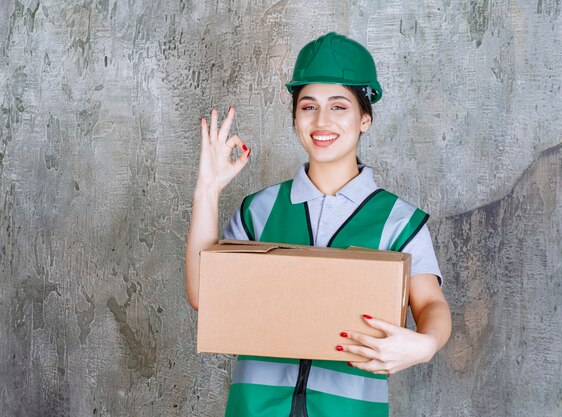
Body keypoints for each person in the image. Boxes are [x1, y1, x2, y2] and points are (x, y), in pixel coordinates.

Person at [185, 32, 451, 417]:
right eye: (308, 106)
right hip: (255, 408)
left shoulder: (399, 221)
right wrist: (207, 190)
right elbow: (203, 296)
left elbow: (430, 304)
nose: (321, 120)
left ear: (365, 118)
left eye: (338, 106)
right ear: (295, 117)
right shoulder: (258, 211)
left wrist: (427, 344)